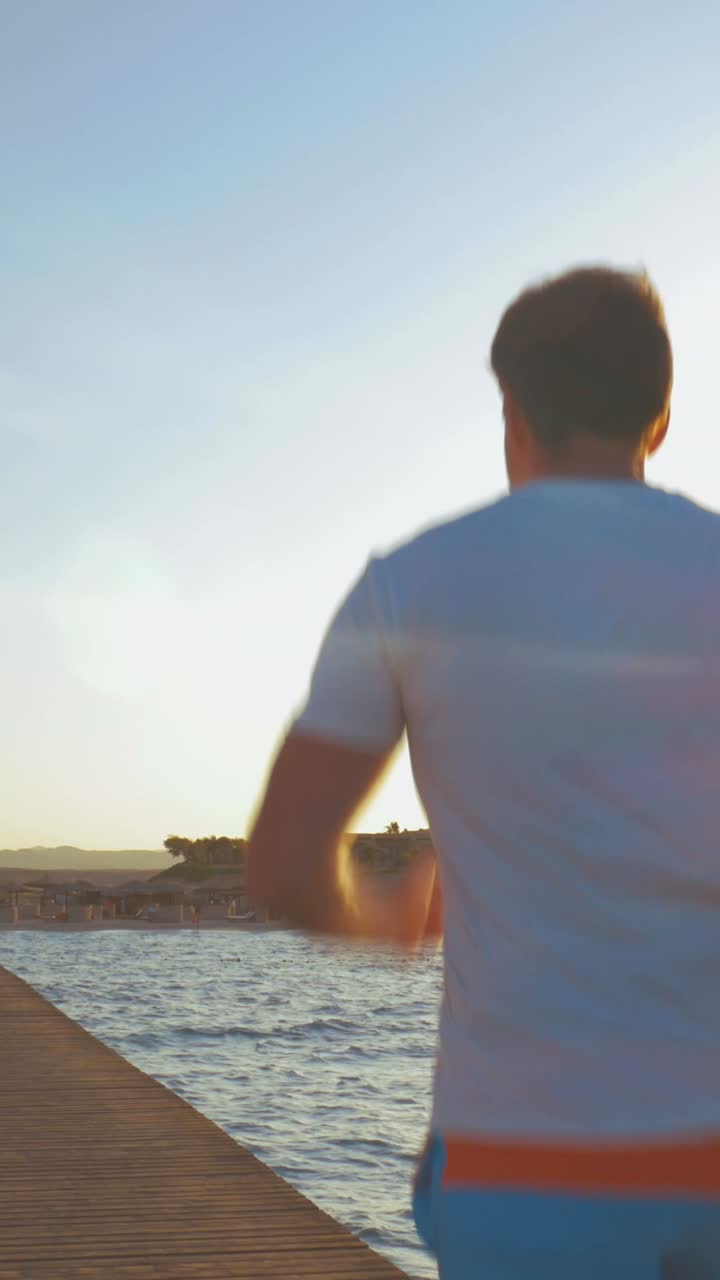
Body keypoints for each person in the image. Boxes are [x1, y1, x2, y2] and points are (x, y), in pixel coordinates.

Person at [247, 266, 720, 1278]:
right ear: (663, 416)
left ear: (512, 411)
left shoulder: (410, 584)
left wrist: (384, 916)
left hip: (527, 1173)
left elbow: (285, 865)